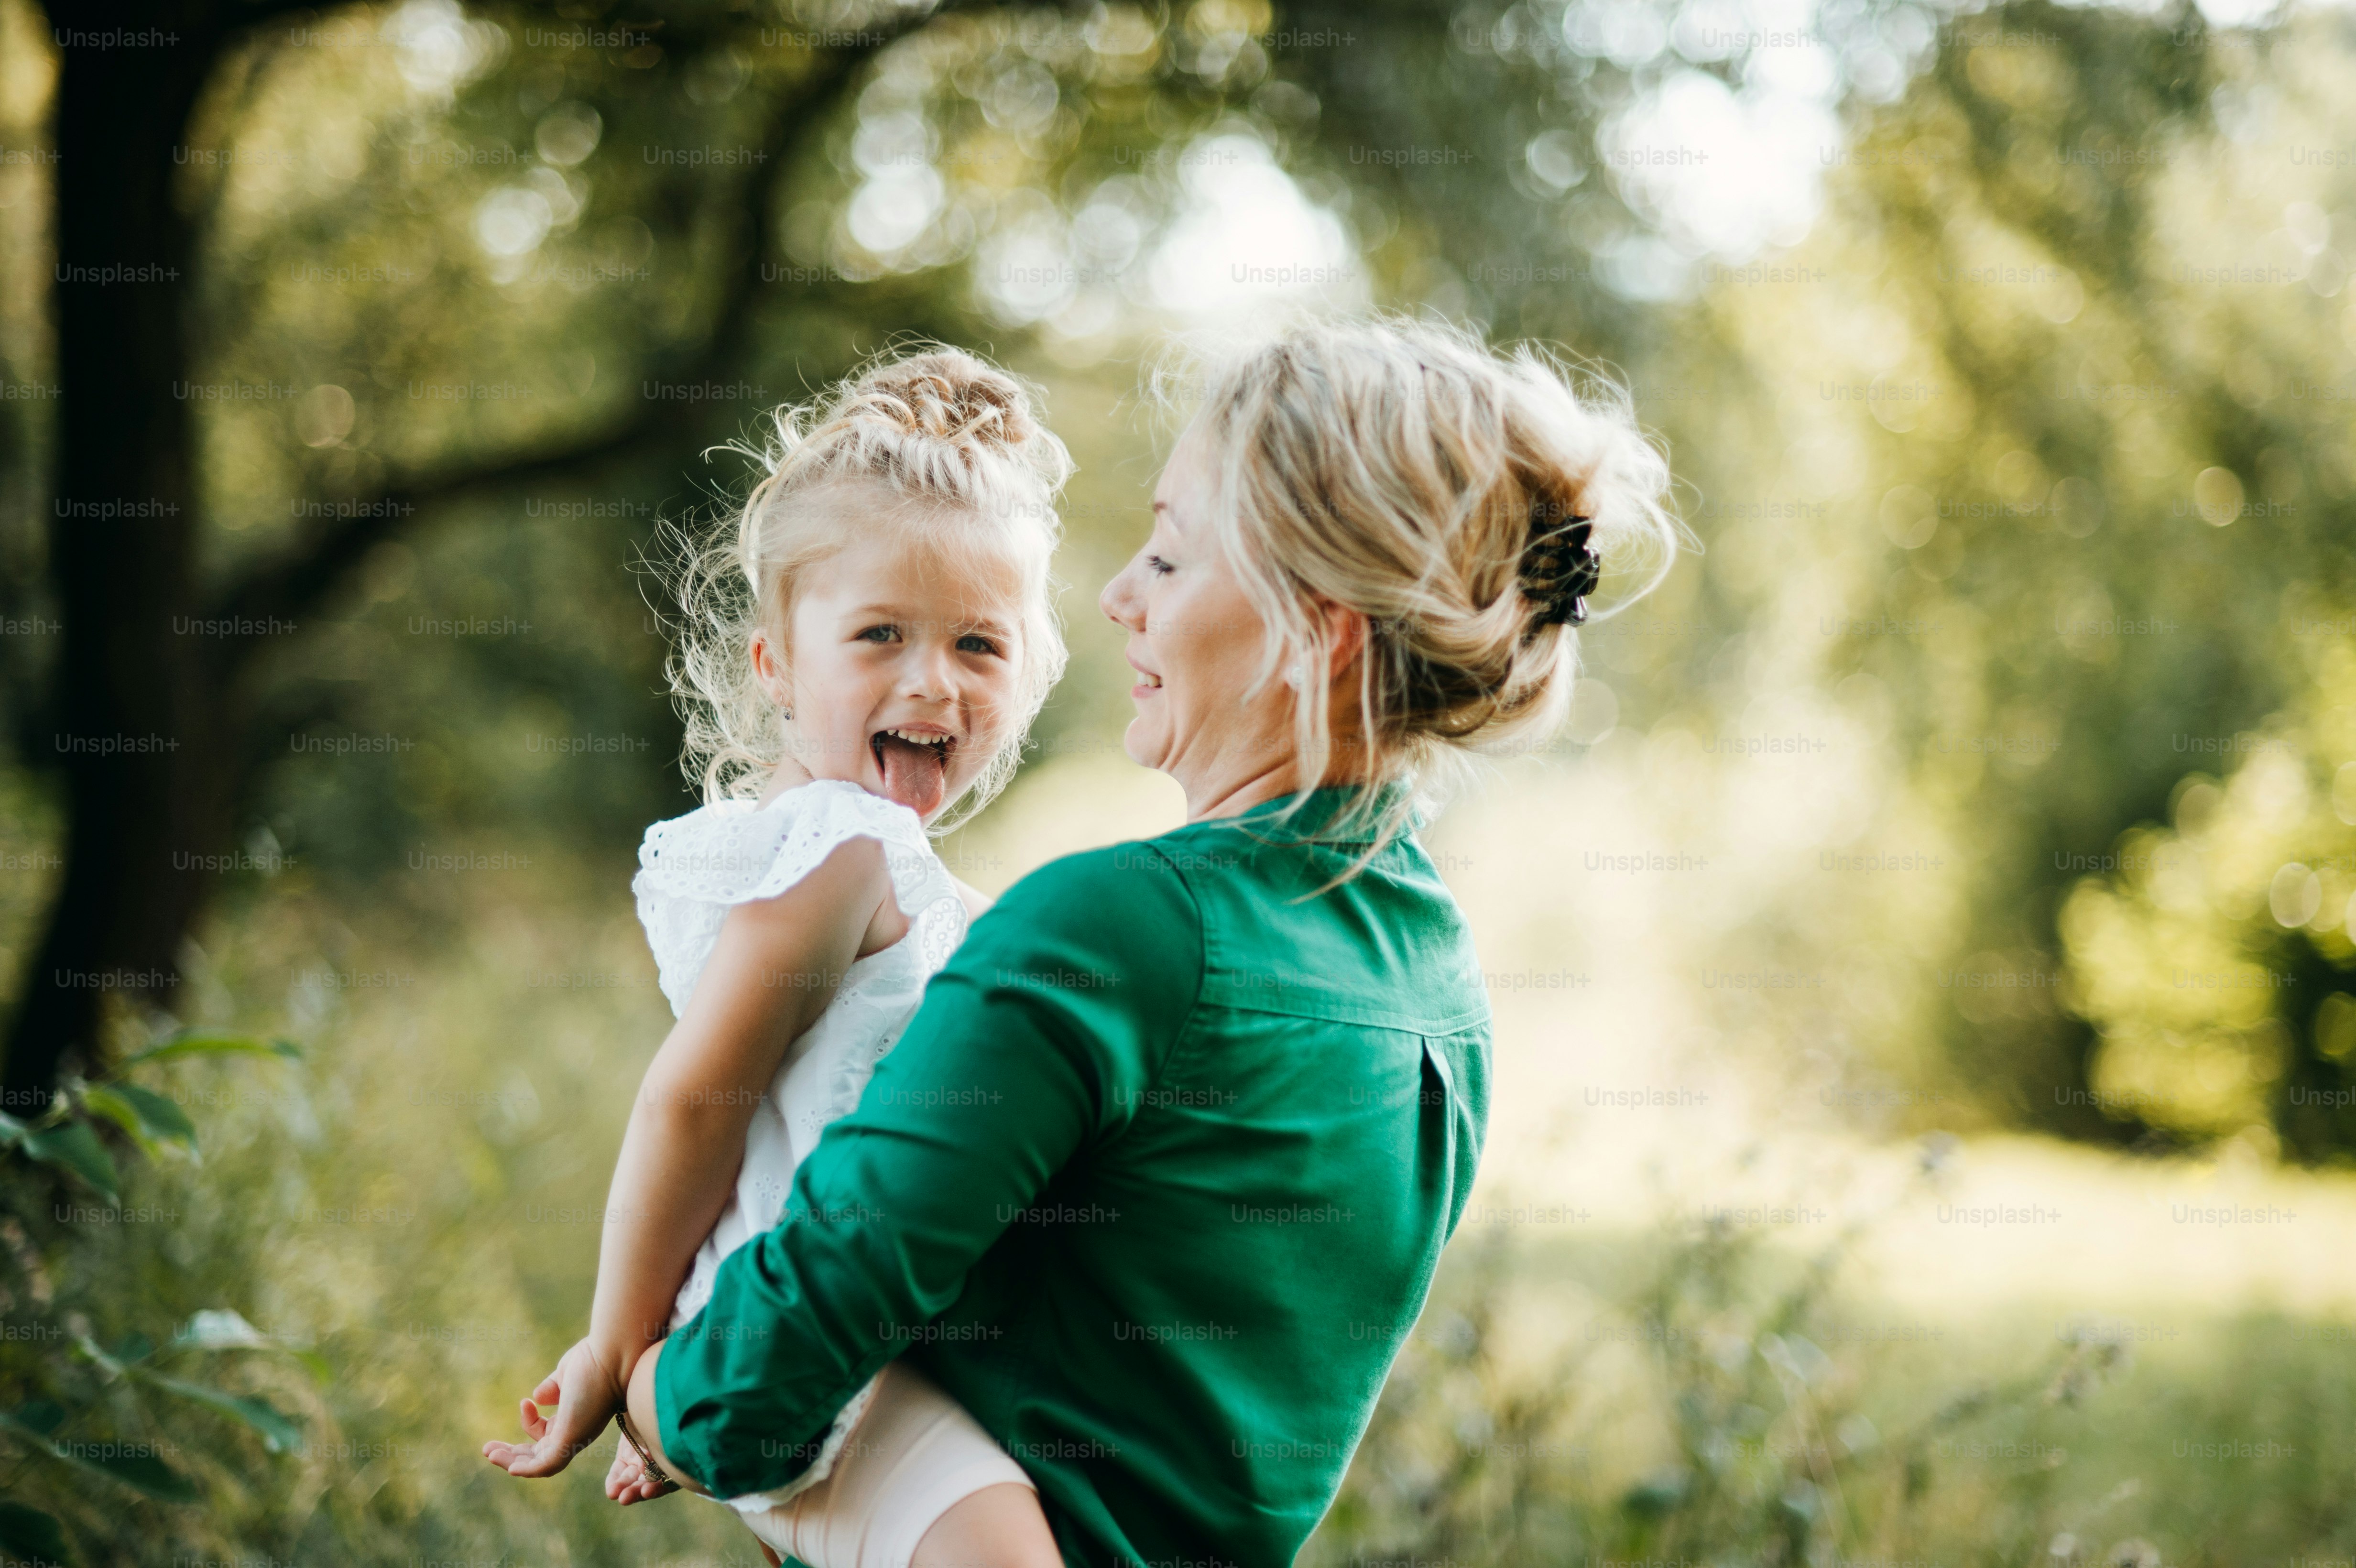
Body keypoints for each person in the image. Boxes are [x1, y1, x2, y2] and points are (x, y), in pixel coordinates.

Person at [616, 316, 1679, 1567]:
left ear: (1317, 626)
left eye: (1169, 557)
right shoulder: (1441, 982)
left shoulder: (1110, 929)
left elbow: (743, 1399)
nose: (1118, 595)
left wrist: (638, 1385)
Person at [481, 347, 1072, 1568]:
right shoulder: (839, 850)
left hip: (840, 1350)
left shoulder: (901, 876)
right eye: (879, 634)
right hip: (802, 1365)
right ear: (778, 666)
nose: (933, 679)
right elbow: (696, 1100)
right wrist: (621, 1353)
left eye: (979, 643)